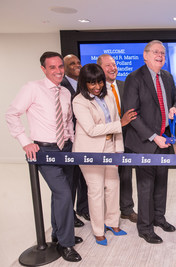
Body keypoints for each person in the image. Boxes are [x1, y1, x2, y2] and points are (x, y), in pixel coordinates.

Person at [5, 51, 82, 262]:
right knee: (64, 194)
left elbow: (67, 122)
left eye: (60, 67)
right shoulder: (32, 88)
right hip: (45, 151)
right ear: (43, 69)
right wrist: (25, 142)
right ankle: (66, 245)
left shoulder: (65, 93)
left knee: (63, 194)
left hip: (66, 149)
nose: (58, 71)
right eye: (52, 67)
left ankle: (58, 234)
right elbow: (12, 113)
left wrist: (73, 143)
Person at [122, 40, 176, 244]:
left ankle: (159, 217)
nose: (160, 56)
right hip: (144, 142)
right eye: (156, 52)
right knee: (146, 186)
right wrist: (153, 136)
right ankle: (145, 227)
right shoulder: (134, 78)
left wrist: (175, 108)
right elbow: (131, 114)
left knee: (161, 183)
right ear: (145, 55)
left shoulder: (167, 76)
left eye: (163, 53)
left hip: (164, 139)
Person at [72, 63, 136, 246]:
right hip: (90, 151)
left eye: (99, 82)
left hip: (110, 147)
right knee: (96, 191)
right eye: (92, 83)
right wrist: (121, 124)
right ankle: (98, 230)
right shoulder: (79, 101)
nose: (97, 86)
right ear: (84, 83)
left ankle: (112, 223)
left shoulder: (107, 94)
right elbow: (91, 129)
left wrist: (119, 149)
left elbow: (115, 120)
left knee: (113, 186)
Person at [97, 54, 138, 224]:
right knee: (105, 179)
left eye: (114, 64)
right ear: (100, 68)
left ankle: (126, 210)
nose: (113, 68)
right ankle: (105, 213)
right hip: (104, 140)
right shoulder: (96, 89)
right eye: (108, 65)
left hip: (126, 138)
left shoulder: (124, 85)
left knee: (126, 176)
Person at [61, 54, 90, 226]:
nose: (77, 66)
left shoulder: (84, 85)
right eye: (72, 64)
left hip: (86, 138)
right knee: (70, 180)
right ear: (64, 68)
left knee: (84, 178)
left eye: (79, 63)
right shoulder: (62, 86)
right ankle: (69, 215)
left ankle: (83, 208)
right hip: (69, 139)